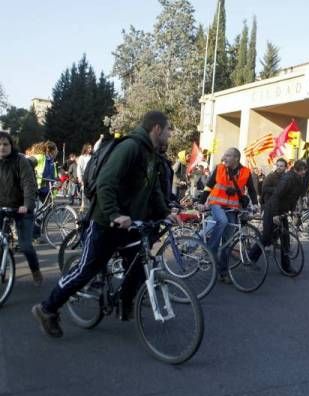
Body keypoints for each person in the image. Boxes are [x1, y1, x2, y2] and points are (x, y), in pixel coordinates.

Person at [32, 111, 177, 338]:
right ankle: (47, 308)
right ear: (156, 128)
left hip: (131, 224)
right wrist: (113, 214)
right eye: (168, 129)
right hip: (106, 222)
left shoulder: (150, 154)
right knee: (85, 270)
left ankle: (125, 305)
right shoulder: (130, 147)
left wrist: (166, 213)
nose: (170, 134)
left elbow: (153, 189)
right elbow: (106, 182)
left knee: (138, 265)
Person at [197, 148, 258, 281]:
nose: (225, 157)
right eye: (225, 155)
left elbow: (252, 190)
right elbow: (209, 186)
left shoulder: (246, 172)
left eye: (228, 155)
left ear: (236, 158)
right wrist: (201, 202)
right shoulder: (219, 168)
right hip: (216, 203)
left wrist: (255, 204)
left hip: (232, 208)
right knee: (222, 221)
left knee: (228, 242)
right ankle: (210, 249)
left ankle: (223, 273)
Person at [0, 131, 43, 286]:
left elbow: (28, 184)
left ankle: (35, 270)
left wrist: (27, 205)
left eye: (5, 144)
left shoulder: (20, 161)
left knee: (25, 246)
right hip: (2, 207)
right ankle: (2, 269)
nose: (2, 147)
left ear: (11, 145)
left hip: (21, 207)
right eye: (0, 144)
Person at [249, 160, 307, 273]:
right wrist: (275, 214)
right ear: (297, 170)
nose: (304, 172)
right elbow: (276, 196)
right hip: (272, 210)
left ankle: (286, 267)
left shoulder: (298, 179)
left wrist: (293, 210)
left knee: (285, 238)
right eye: (303, 170)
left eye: (305, 170)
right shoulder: (288, 178)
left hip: (282, 210)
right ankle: (251, 258)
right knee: (266, 237)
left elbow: (293, 197)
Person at [76, 143, 93, 212]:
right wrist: (80, 177)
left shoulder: (92, 156)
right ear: (85, 149)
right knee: (84, 191)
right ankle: (82, 205)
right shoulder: (82, 157)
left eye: (91, 148)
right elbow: (79, 168)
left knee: (90, 190)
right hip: (84, 176)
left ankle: (90, 206)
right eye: (89, 148)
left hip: (91, 176)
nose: (90, 149)